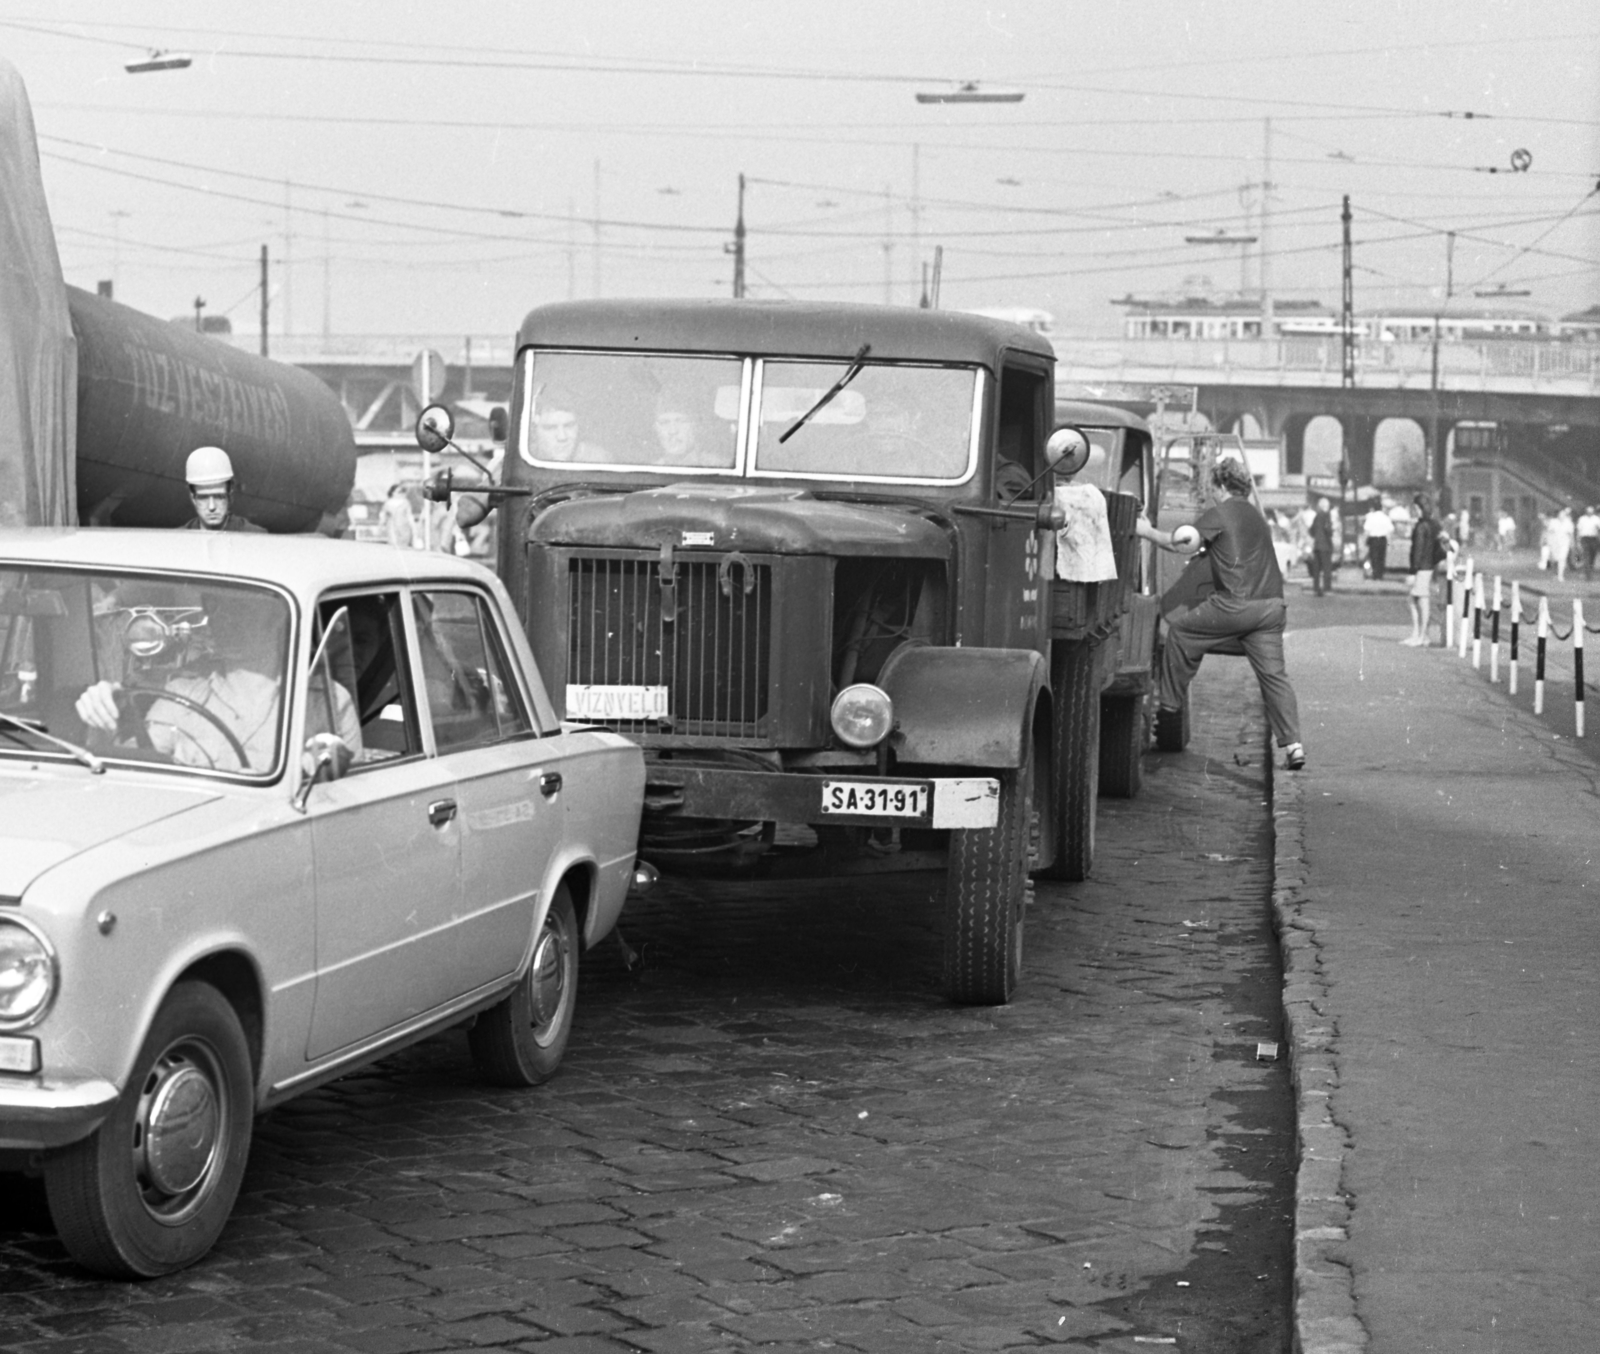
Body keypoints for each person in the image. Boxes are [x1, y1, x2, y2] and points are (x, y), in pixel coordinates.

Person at [75, 589, 359, 773]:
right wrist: (102, 712)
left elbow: (353, 804)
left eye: (240, 608)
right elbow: (134, 771)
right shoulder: (185, 692)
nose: (223, 621)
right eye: (216, 608)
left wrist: (321, 780)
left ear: (277, 616)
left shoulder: (327, 700)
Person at [1139, 457, 1305, 770]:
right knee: (1274, 676)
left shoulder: (1220, 513)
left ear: (1222, 486)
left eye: (1213, 488)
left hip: (1235, 605)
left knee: (1181, 633)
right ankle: (1294, 745)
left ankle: (1170, 705)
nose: (1212, 494)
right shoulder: (1256, 515)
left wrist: (1146, 531)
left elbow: (1180, 543)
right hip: (1271, 609)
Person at [180, 446, 265, 533]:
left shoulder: (255, 536)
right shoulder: (178, 539)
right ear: (193, 498)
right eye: (203, 497)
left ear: (230, 494)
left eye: (219, 496)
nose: (212, 507)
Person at [1403, 493, 1446, 646]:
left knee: (1420, 600)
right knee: (1416, 599)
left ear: (1419, 508)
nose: (1414, 511)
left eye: (1415, 507)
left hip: (1421, 568)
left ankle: (1421, 635)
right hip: (1429, 567)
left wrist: (1413, 572)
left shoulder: (1421, 526)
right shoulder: (1435, 524)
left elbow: (1418, 550)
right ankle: (1419, 634)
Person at [531, 386, 607, 462]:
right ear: (534, 430)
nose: (562, 437)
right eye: (551, 428)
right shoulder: (524, 455)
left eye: (569, 426)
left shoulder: (598, 460)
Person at [1308, 496, 1336, 595]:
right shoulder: (1326, 515)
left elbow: (1311, 530)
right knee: (1326, 568)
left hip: (1317, 546)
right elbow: (1328, 530)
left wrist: (1316, 535)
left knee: (1317, 569)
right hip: (1325, 545)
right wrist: (1331, 533)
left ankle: (1316, 588)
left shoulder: (1317, 516)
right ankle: (1327, 588)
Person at [1361, 502, 1394, 581]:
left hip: (1373, 540)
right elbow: (1390, 532)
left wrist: (1363, 542)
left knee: (1374, 557)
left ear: (1373, 508)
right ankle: (1380, 575)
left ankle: (1375, 575)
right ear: (1381, 508)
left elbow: (1367, 531)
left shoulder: (1371, 518)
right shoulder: (1386, 518)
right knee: (1381, 557)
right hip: (1383, 539)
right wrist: (1390, 544)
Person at [379, 483, 416, 549]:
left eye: (402, 491)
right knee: (394, 545)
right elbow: (383, 515)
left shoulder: (405, 502)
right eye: (398, 492)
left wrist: (413, 526)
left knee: (403, 546)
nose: (400, 493)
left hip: (404, 528)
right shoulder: (388, 503)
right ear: (393, 492)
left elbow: (409, 515)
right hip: (392, 528)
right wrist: (381, 525)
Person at [1547, 505, 1575, 583]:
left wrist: (1572, 543)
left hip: (1564, 543)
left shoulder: (1568, 523)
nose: (1562, 516)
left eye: (1563, 515)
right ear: (1558, 515)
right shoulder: (1553, 522)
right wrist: (1549, 542)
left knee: (1562, 559)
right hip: (1554, 543)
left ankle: (1560, 575)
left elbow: (1571, 534)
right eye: (1560, 514)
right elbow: (1550, 533)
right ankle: (1555, 574)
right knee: (1556, 559)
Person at [1577, 505, 1600, 581]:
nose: (1590, 512)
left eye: (1591, 511)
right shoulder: (1582, 519)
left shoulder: (1596, 519)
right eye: (1588, 511)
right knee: (1586, 556)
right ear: (1586, 512)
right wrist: (1578, 540)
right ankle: (1588, 575)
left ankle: (1590, 570)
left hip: (1593, 538)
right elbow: (1579, 530)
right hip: (1585, 538)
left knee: (1592, 556)